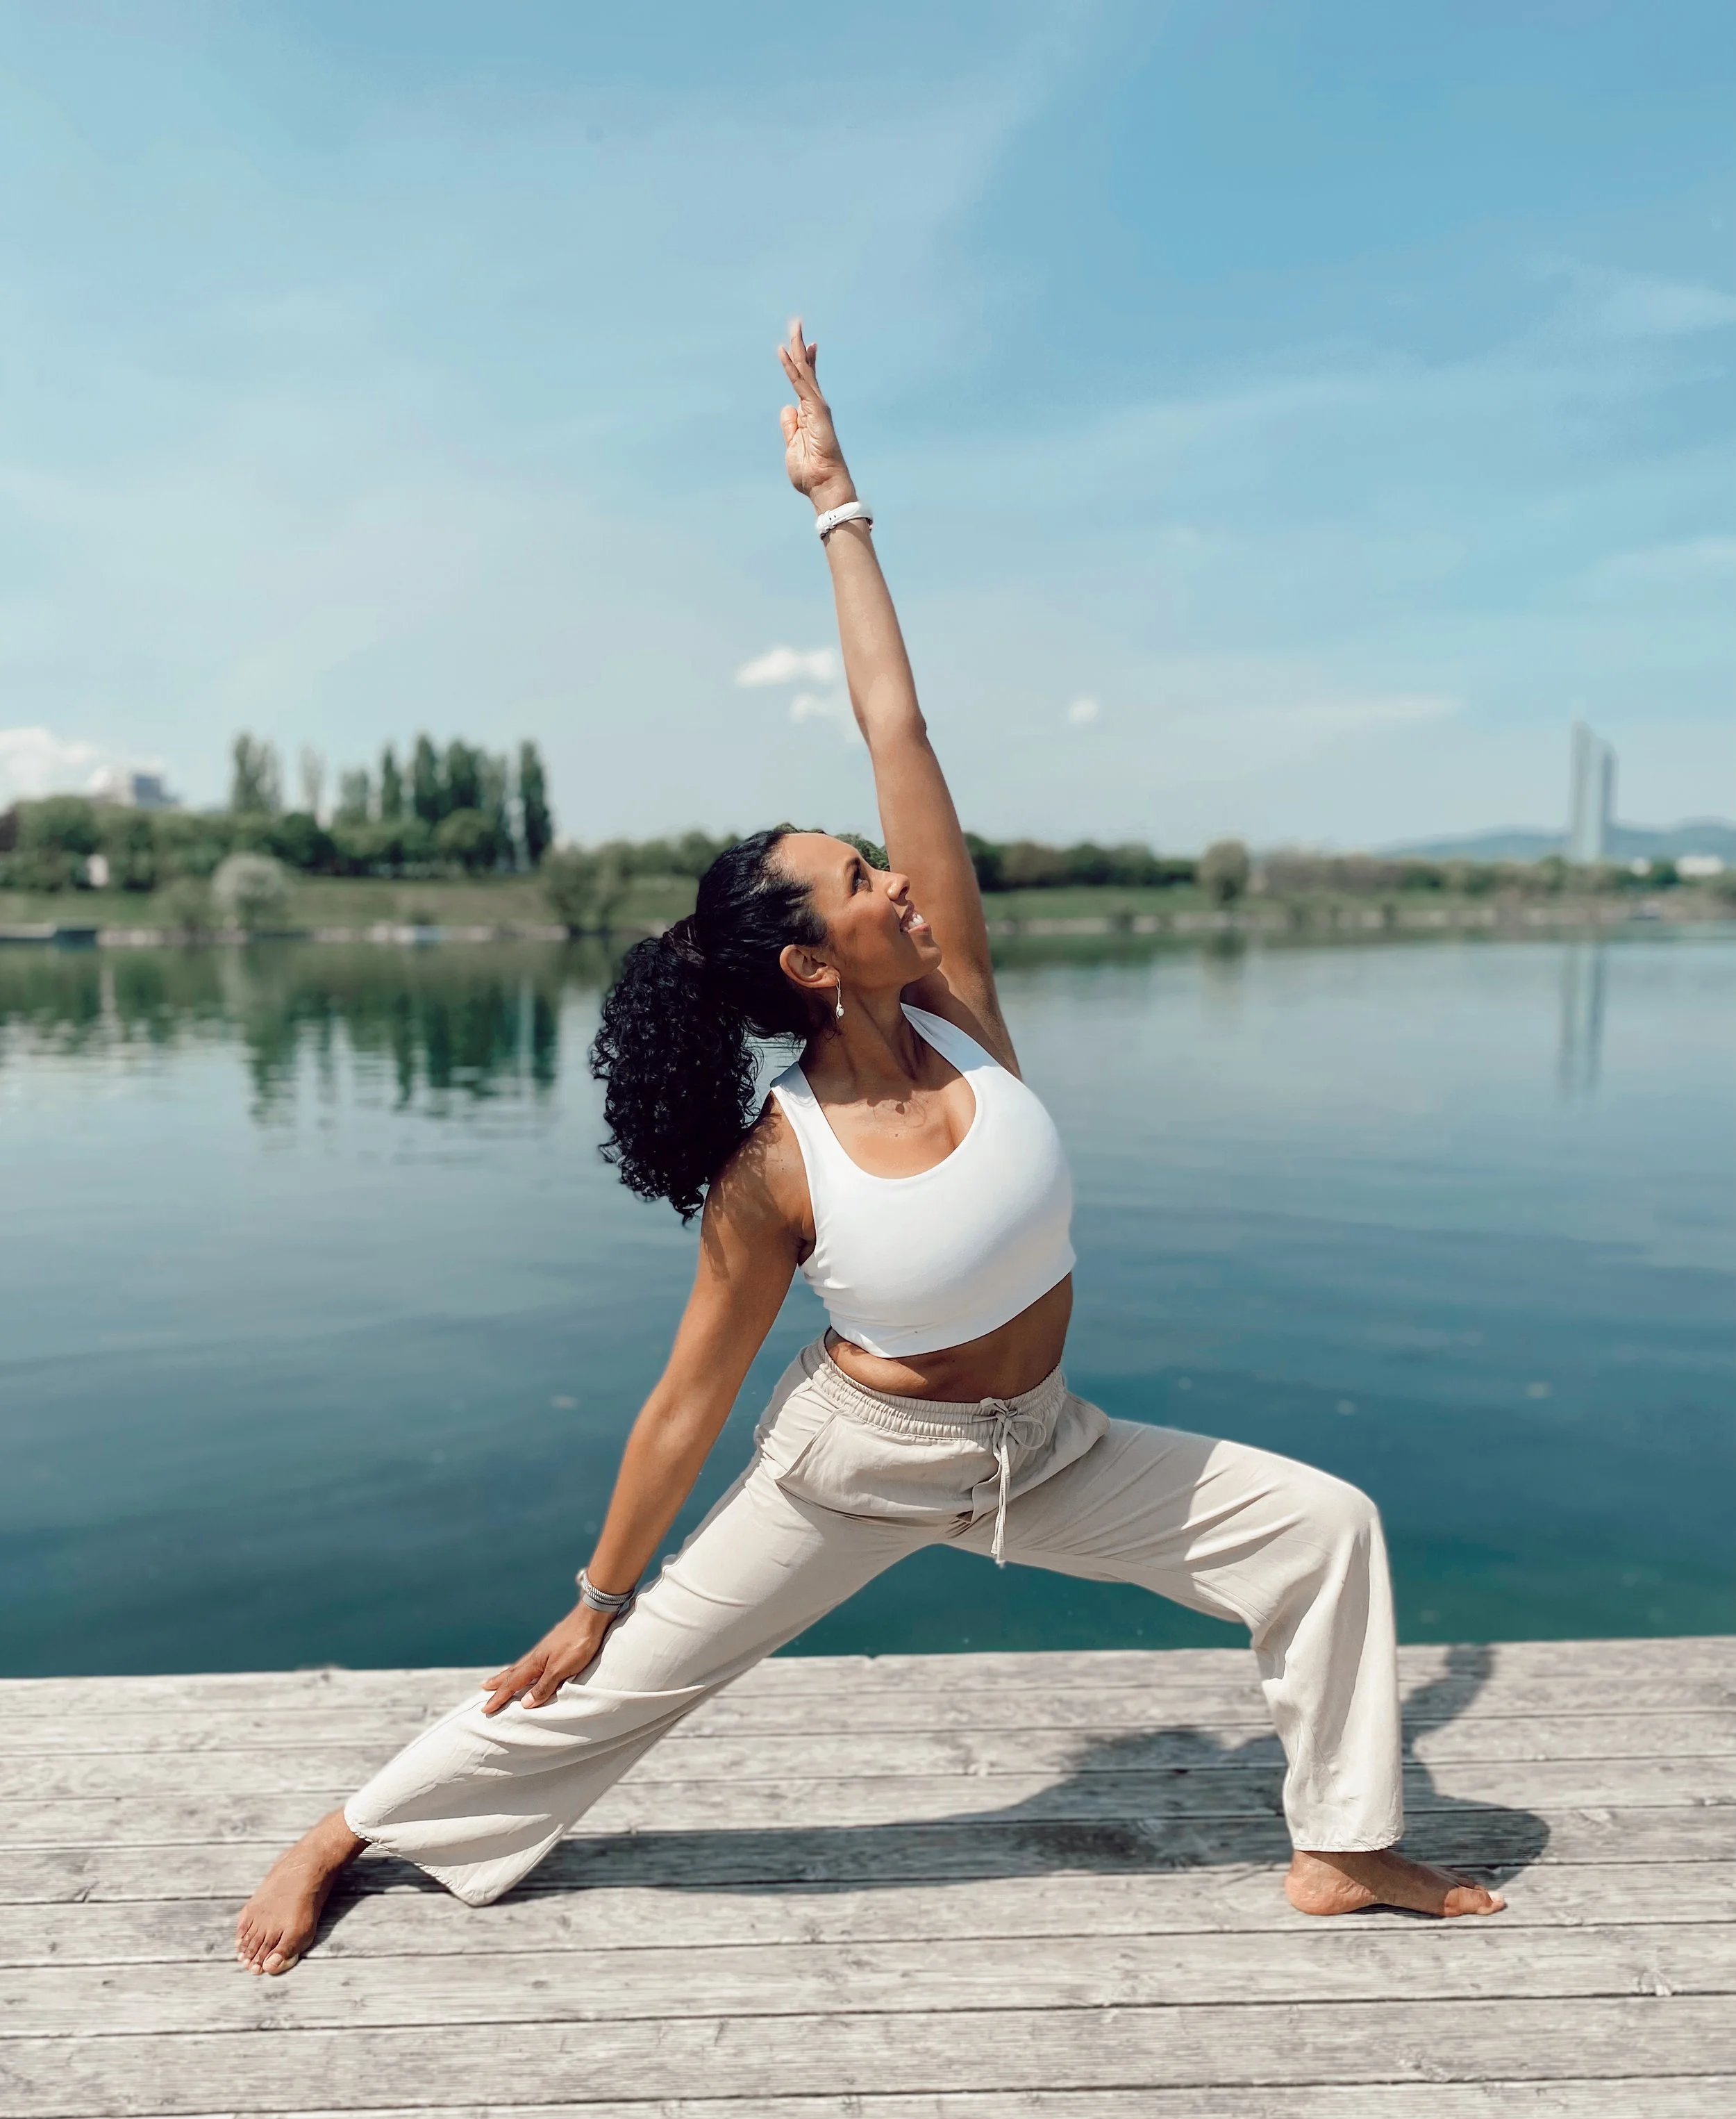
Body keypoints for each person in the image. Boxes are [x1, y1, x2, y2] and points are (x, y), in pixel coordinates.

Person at [235, 324, 1502, 1975]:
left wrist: (839, 507)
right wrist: (597, 1592)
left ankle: (1340, 1847)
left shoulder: (965, 1006)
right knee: (617, 1684)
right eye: (858, 881)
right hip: (857, 1466)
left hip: (1047, 1445)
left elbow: (897, 722)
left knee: (1319, 1525)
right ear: (811, 964)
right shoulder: (778, 1164)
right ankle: (354, 1826)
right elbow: (689, 1397)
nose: (895, 880)